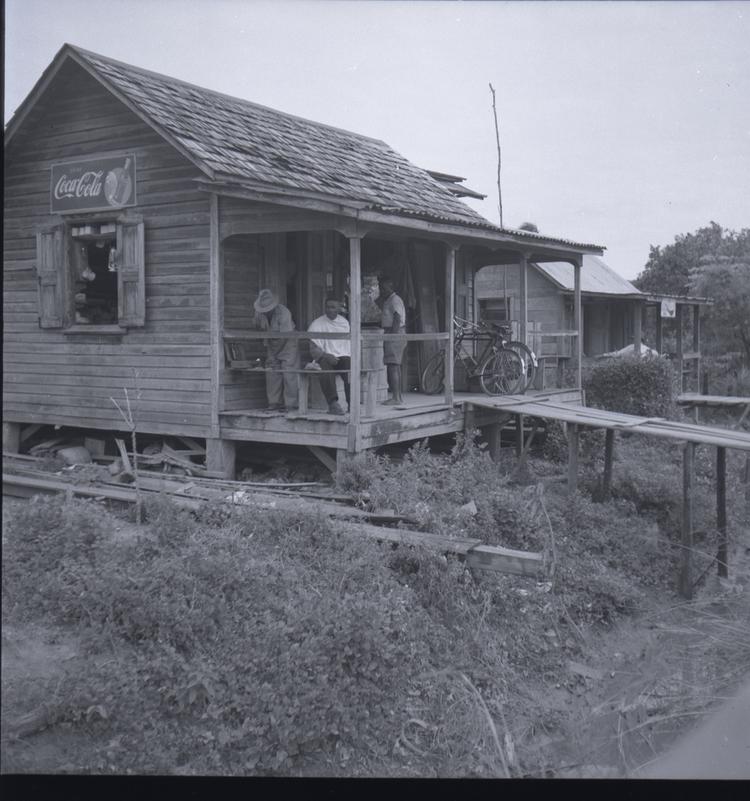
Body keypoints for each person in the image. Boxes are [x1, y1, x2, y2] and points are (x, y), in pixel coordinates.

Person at [253, 288, 299, 411]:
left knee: (289, 372)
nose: (266, 311)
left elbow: (285, 336)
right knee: (271, 371)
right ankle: (274, 402)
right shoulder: (258, 313)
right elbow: (258, 327)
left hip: (288, 343)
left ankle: (291, 404)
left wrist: (276, 352)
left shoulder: (284, 313)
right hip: (271, 343)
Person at [307, 297, 350, 415]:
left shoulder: (344, 323)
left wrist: (341, 356)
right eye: (327, 307)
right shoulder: (317, 324)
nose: (330, 310)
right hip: (324, 356)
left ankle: (352, 403)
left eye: (333, 307)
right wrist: (326, 355)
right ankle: (333, 404)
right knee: (325, 370)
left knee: (350, 368)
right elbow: (313, 350)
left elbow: (347, 346)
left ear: (338, 309)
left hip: (342, 356)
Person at [378, 276, 406, 405]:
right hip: (392, 332)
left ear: (391, 287)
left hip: (394, 332)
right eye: (381, 288)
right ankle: (397, 397)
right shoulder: (388, 300)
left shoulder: (395, 299)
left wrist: (392, 336)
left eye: (384, 288)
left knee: (393, 366)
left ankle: (396, 397)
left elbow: (397, 317)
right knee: (395, 365)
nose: (382, 290)